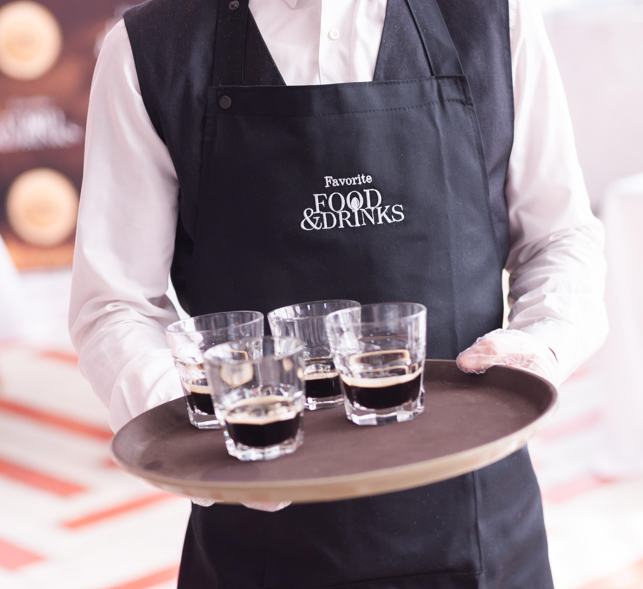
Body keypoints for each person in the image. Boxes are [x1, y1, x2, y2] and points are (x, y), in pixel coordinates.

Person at [69, 0, 608, 586]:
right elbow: (116, 303)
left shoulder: (494, 18)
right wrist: (196, 432)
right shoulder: (150, 49)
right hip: (255, 542)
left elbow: (558, 237)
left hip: (483, 533)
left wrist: (541, 344)